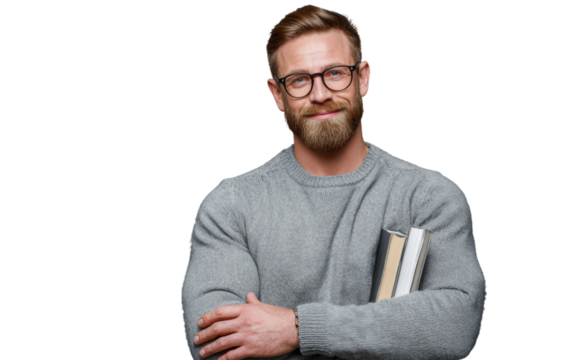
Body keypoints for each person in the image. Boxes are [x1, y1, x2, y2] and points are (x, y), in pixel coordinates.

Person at [182, 3, 487, 359]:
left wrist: (297, 328)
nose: (320, 93)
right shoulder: (230, 205)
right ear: (277, 95)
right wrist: (390, 332)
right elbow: (215, 344)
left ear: (364, 77)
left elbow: (454, 327)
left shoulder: (429, 196)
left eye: (335, 73)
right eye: (299, 80)